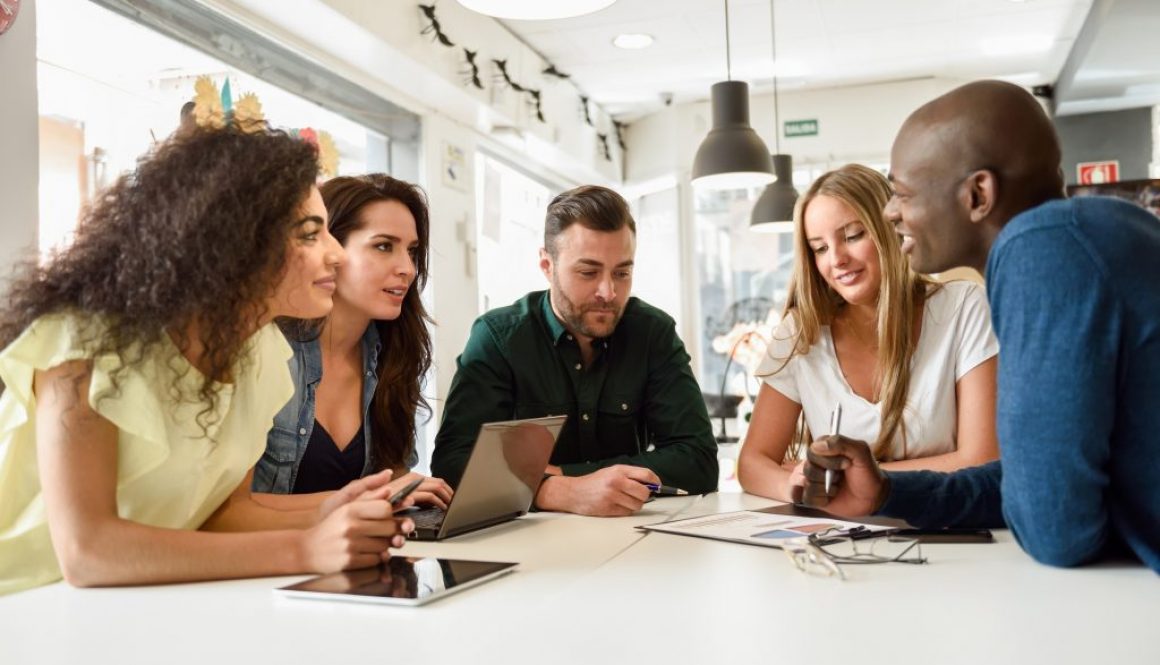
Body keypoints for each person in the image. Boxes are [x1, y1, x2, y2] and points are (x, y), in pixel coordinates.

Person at [0, 125, 413, 596]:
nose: (336, 255)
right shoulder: (82, 343)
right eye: (309, 235)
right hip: (23, 605)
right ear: (235, 244)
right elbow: (88, 552)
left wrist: (335, 510)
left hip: (138, 602)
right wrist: (306, 548)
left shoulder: (261, 352)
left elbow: (221, 514)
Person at [797, 80, 1160, 573]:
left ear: (977, 194)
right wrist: (885, 490)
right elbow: (1029, 482)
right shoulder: (1103, 226)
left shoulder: (1042, 250)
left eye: (902, 193)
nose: (891, 212)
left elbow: (1055, 530)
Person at [431, 185, 717, 516]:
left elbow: (699, 461)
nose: (608, 292)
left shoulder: (652, 333)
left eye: (622, 272)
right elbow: (453, 465)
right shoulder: (500, 338)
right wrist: (557, 491)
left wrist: (564, 475)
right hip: (529, 550)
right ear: (546, 265)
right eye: (588, 272)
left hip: (631, 541)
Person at [738, 164, 998, 503]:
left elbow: (982, 460)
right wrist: (793, 485)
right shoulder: (801, 333)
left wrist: (857, 479)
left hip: (946, 530)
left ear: (889, 228)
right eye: (820, 248)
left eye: (852, 236)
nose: (837, 260)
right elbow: (752, 463)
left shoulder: (964, 308)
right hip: (841, 537)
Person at [252, 175, 452, 510]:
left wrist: (407, 491)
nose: (407, 269)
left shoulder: (395, 353)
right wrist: (368, 499)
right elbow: (228, 511)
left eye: (412, 251)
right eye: (384, 246)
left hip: (350, 554)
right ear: (329, 249)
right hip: (269, 558)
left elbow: (393, 477)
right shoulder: (267, 350)